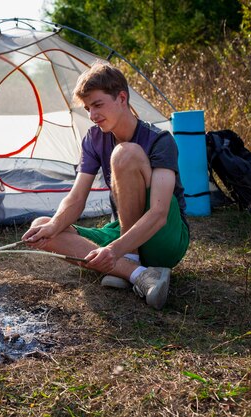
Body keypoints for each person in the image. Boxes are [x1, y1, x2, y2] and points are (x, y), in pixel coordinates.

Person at [22, 62, 189, 310]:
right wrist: (55, 226)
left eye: (97, 105)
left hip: (163, 238)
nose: (92, 115)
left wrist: (113, 251)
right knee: (42, 227)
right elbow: (76, 198)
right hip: (121, 231)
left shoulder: (160, 140)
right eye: (88, 108)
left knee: (125, 154)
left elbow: (159, 213)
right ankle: (137, 274)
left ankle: (126, 258)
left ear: (122, 98)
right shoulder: (94, 138)